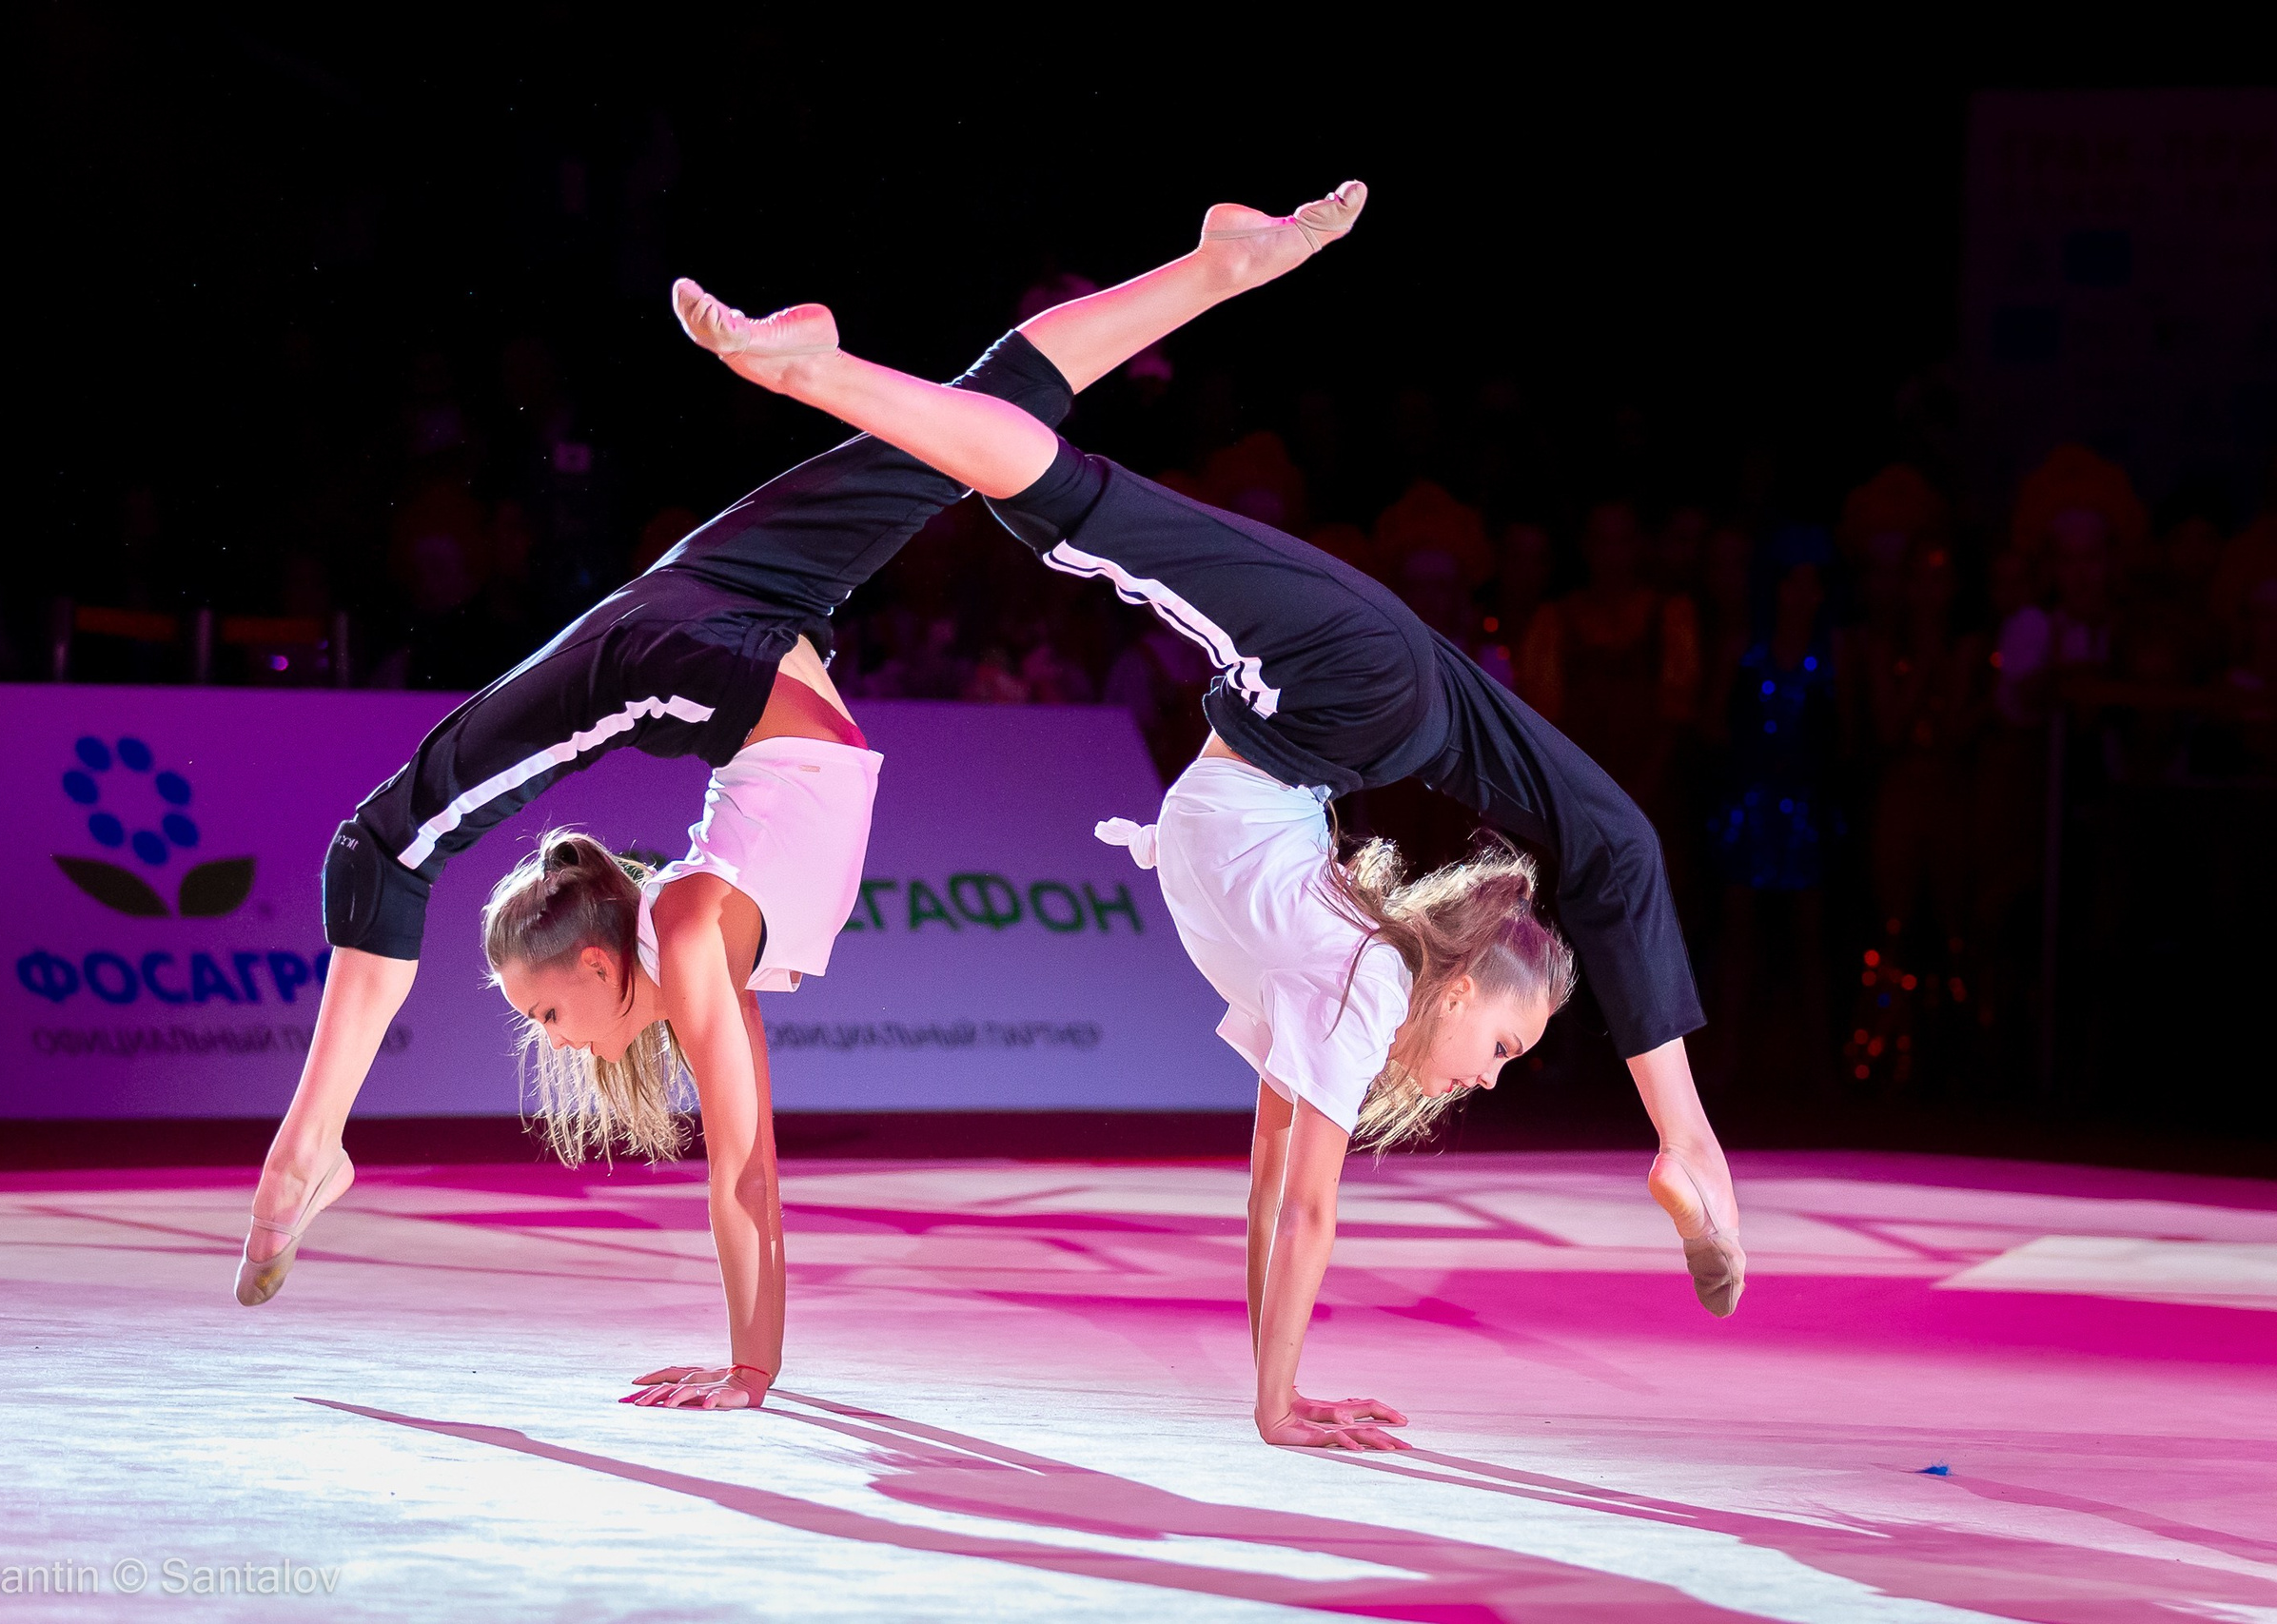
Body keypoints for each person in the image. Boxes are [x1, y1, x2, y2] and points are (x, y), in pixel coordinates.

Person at [233, 188, 1368, 1417]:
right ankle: (1214, 269)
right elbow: (753, 1159)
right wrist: (756, 1360)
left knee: (387, 840)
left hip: (681, 662)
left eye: (549, 1012)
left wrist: (751, 1370)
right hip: (739, 621)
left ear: (605, 966)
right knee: (969, 425)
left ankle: (308, 1145)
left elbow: (742, 1177)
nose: (550, 1041)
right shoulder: (694, 938)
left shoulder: (681, 928)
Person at [675, 186, 1745, 1451]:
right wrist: (1283, 1407)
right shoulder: (1363, 991)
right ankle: (822, 373)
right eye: (1508, 1042)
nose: (1498, 1072)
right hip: (1339, 698)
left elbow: (1264, 1191)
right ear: (1456, 983)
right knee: (1076, 508)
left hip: (1371, 707)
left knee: (1612, 833)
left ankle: (1687, 1140)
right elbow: (1307, 1219)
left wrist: (1271, 1391)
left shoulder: (1336, 983)